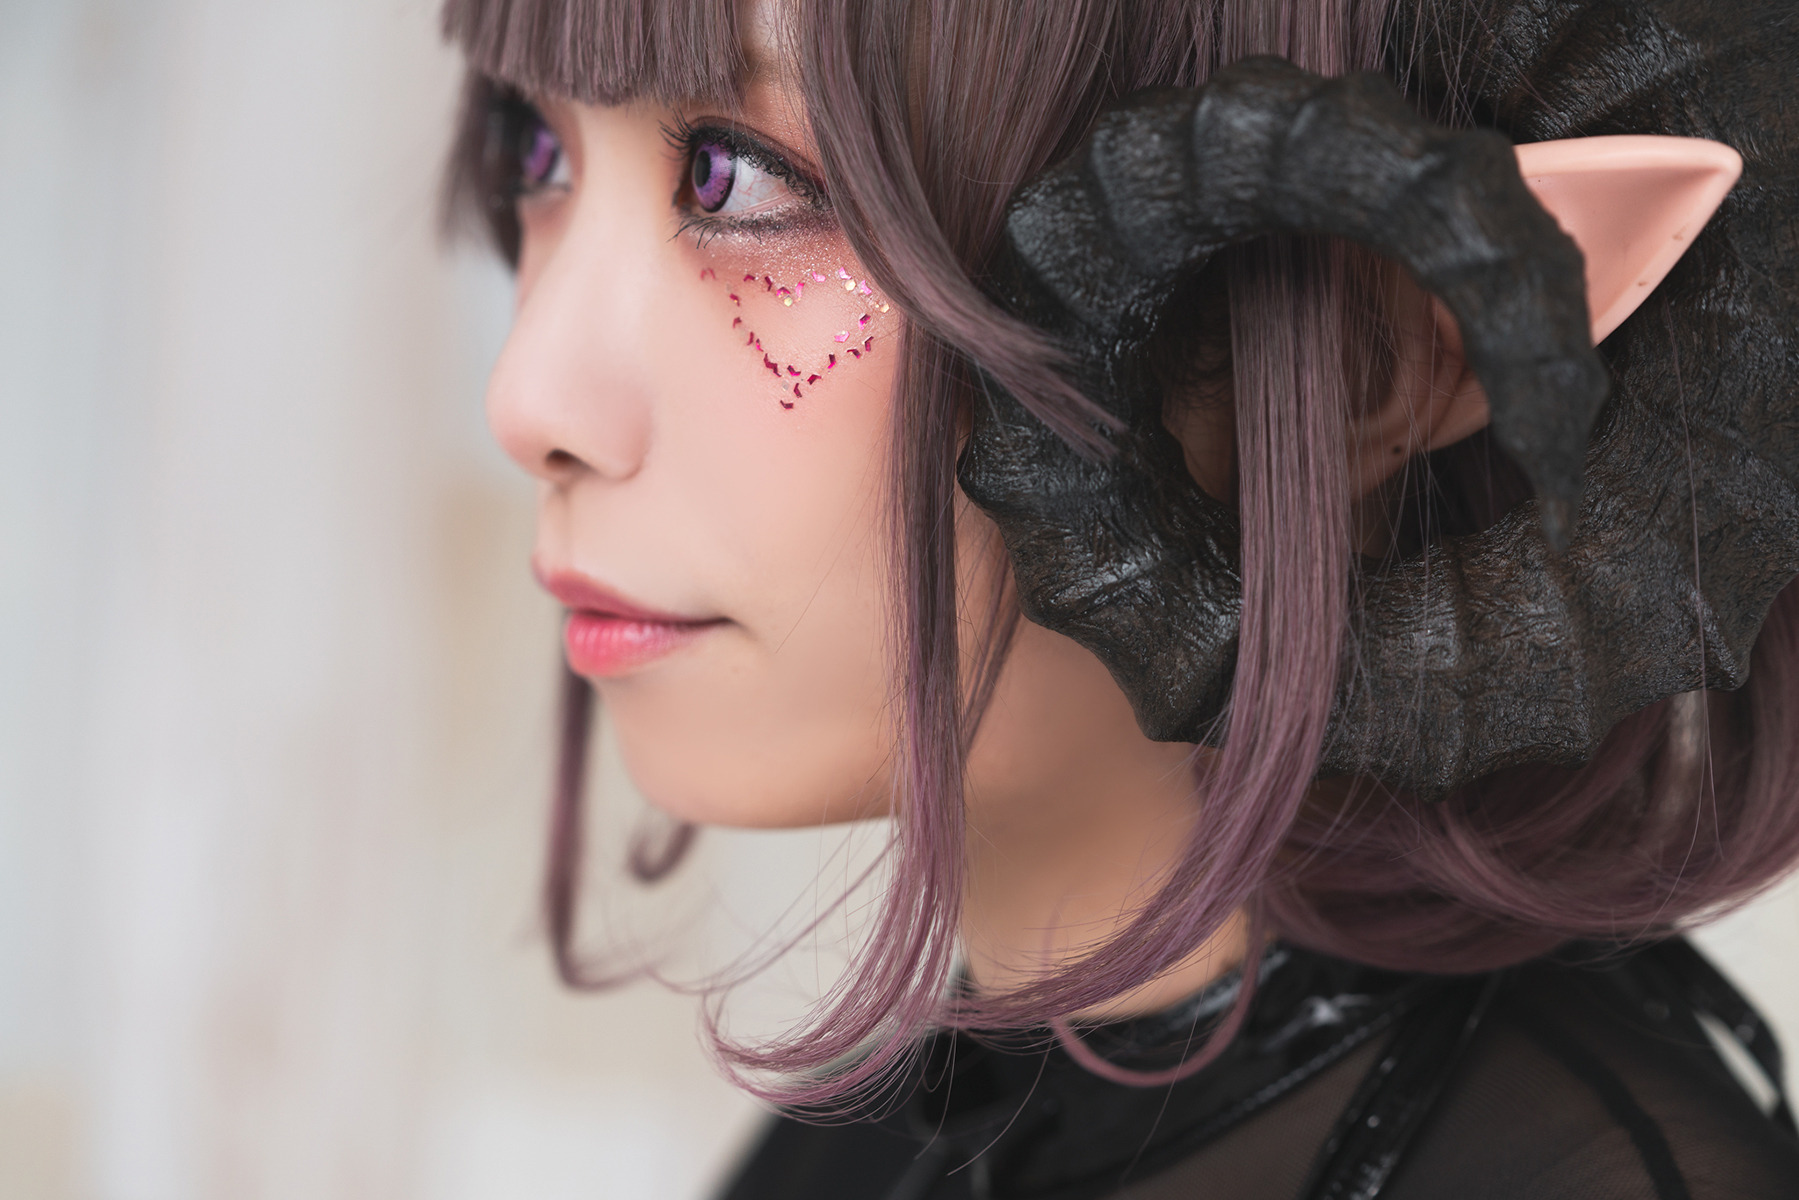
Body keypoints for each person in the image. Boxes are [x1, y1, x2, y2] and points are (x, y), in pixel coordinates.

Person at [439, 0, 1799, 1194]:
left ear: (1389, 338)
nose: (528, 398)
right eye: (534, 153)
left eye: (734, 176)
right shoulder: (880, 1133)